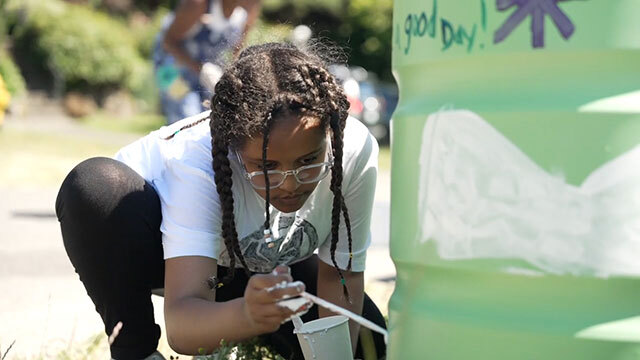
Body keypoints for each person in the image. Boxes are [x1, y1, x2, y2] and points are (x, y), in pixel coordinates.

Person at [55, 42, 386, 360]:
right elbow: (184, 328)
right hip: (159, 255)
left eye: (307, 161)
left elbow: (341, 276)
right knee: (95, 185)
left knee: (370, 346)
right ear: (235, 148)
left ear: (329, 135)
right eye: (266, 166)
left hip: (256, 262)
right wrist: (246, 315)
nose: (289, 184)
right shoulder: (195, 160)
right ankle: (135, 351)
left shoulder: (352, 148)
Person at [154, 0, 261, 124]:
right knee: (185, 118)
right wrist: (201, 69)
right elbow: (168, 42)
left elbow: (237, 49)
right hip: (170, 71)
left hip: (206, 73)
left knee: (211, 120)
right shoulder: (198, 4)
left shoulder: (248, 10)